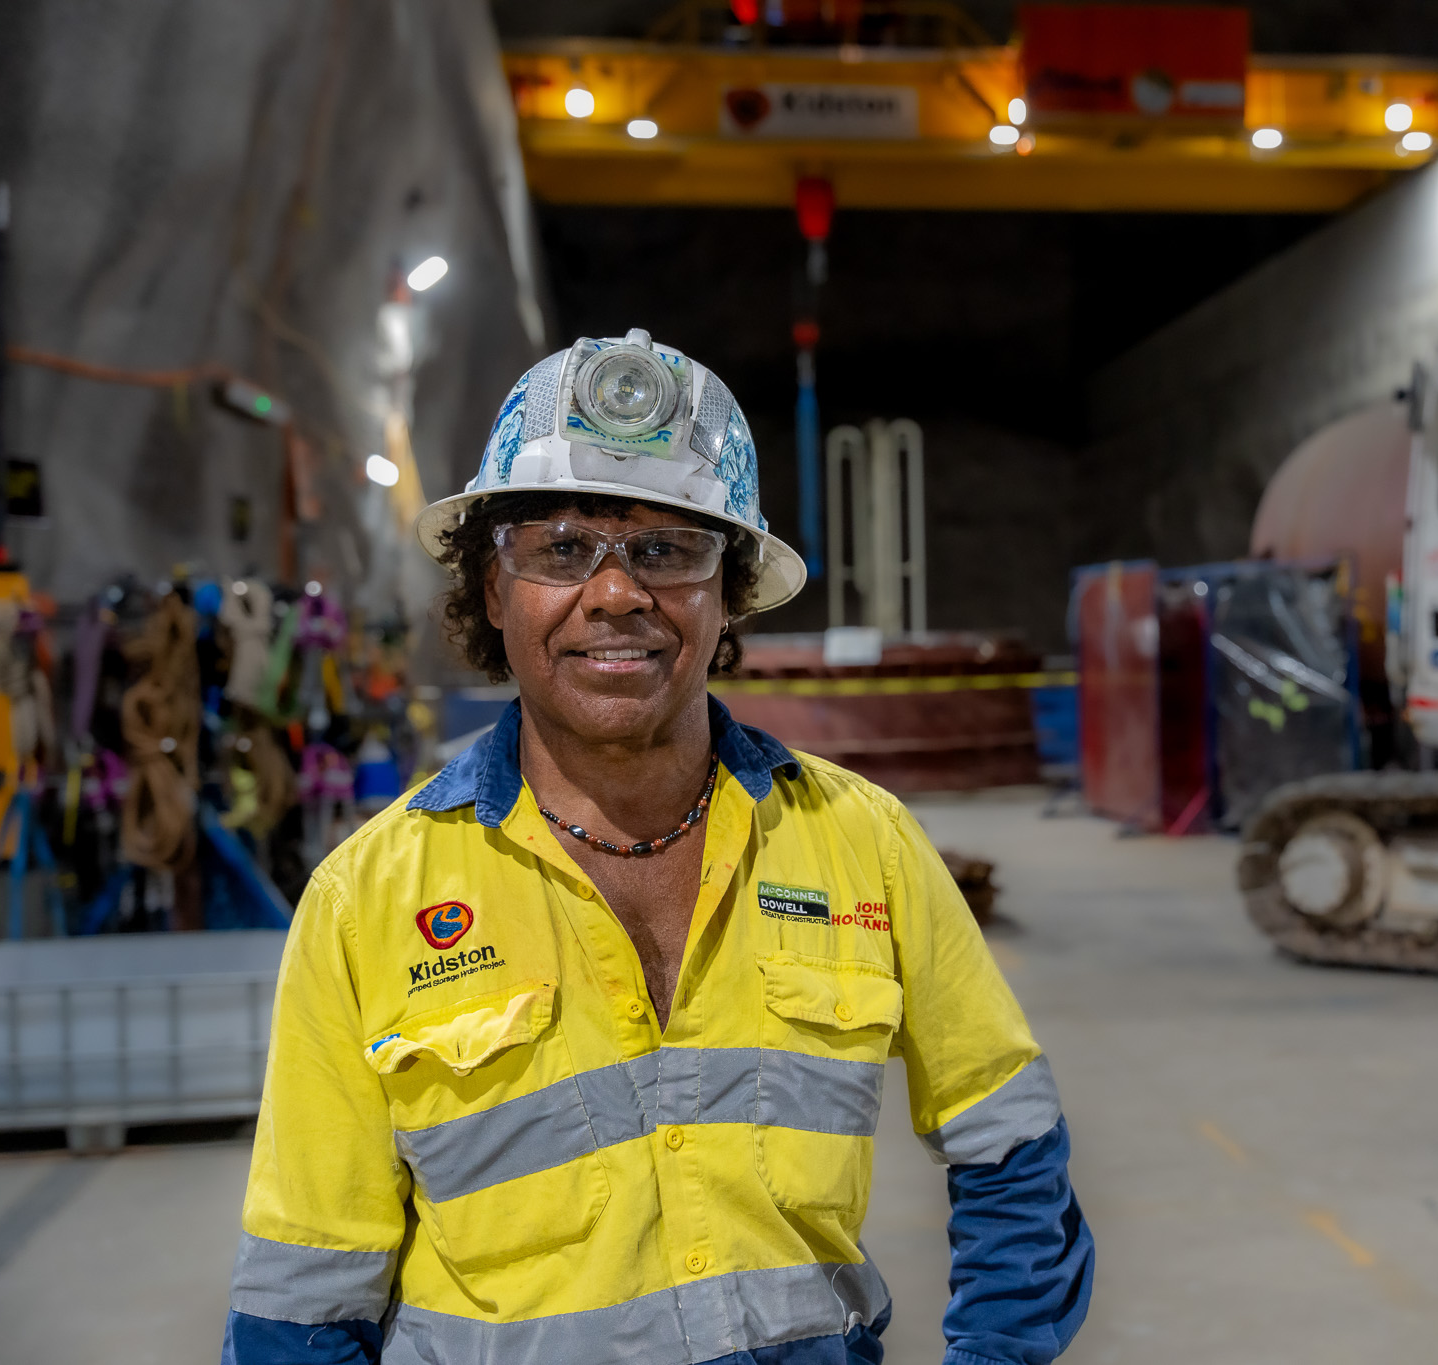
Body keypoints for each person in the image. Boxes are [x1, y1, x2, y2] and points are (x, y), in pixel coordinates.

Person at [221, 331, 1093, 1364]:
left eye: (666, 551)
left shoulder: (859, 841)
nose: (617, 594)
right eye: (558, 549)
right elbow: (306, 1293)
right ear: (492, 591)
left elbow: (1010, 1141)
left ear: (727, 594)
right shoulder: (369, 899)